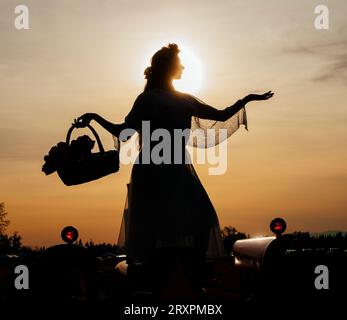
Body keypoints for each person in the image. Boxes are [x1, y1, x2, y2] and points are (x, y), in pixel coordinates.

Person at [76, 43, 274, 294]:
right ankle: (158, 280)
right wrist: (95, 117)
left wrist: (247, 99)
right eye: (178, 63)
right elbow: (123, 132)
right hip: (151, 169)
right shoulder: (147, 99)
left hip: (178, 166)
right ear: (168, 68)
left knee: (202, 216)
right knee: (158, 224)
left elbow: (222, 115)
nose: (183, 66)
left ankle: (192, 271)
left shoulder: (184, 99)